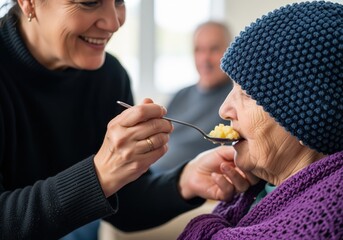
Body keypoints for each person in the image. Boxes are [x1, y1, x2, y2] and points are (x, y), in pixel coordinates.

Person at [0, 0, 252, 239]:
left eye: (119, 1)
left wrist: (185, 180)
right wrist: (99, 175)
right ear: (28, 2)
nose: (113, 22)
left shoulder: (109, 76)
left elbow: (126, 203)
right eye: (89, 2)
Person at [178, 1, 343, 239]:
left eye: (246, 93)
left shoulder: (326, 216)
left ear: (305, 114)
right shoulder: (252, 188)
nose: (224, 110)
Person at [151, 21, 233, 173]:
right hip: (153, 173)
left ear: (231, 52)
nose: (205, 58)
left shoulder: (236, 100)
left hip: (190, 183)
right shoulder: (180, 95)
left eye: (214, 49)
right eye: (199, 50)